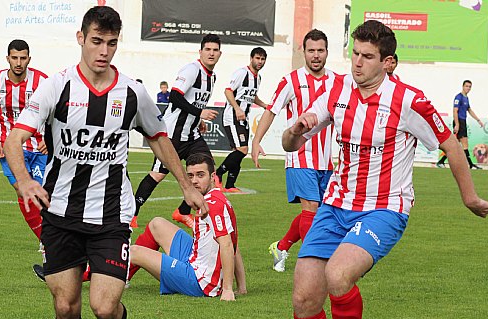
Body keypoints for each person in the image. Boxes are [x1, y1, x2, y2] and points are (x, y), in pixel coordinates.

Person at [281, 19, 488, 319]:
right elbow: (294, 138)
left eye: (368, 57)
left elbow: (450, 145)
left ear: (389, 63)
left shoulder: (409, 100)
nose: (358, 63)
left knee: (338, 275)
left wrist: (470, 198)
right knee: (303, 296)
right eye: (355, 54)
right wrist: (296, 129)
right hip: (336, 204)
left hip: (385, 208)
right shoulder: (337, 91)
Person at [3, 6, 207, 319]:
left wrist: (185, 185)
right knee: (66, 306)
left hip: (112, 215)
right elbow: (15, 139)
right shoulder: (56, 87)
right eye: (97, 41)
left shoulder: (132, 92)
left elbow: (159, 138)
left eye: (111, 43)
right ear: (81, 38)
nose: (104, 50)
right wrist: (25, 180)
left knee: (105, 306)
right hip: (60, 213)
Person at [250, 29, 337, 272]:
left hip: (326, 161)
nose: (316, 55)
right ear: (304, 52)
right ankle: (314, 264)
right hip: (299, 157)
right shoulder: (291, 81)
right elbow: (271, 110)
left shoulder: (336, 81)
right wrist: (257, 141)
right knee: (310, 208)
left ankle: (281, 246)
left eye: (320, 50)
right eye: (311, 50)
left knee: (319, 212)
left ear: (327, 52)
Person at [133, 33, 222, 229]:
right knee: (157, 175)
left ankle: (182, 212)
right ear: (200, 52)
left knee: (208, 170)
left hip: (192, 135)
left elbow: (193, 101)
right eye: (207, 49)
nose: (211, 53)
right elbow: (175, 96)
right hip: (172, 134)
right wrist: (200, 112)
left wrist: (198, 119)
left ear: (220, 54)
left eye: (215, 50)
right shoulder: (191, 70)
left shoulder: (212, 76)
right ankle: (132, 213)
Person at [128, 153, 246, 300]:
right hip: (194, 258)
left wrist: (228, 289)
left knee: (134, 252)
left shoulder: (213, 205)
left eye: (200, 175)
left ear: (212, 176)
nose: (194, 181)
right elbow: (235, 245)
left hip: (199, 281)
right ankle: (125, 277)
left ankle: (110, 276)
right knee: (157, 224)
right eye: (190, 176)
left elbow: (228, 245)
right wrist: (242, 288)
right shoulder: (215, 198)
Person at [0, 39, 48, 279]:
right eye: (14, 58)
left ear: (29, 59)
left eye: (23, 58)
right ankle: (50, 245)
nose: (18, 62)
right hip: (11, 149)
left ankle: (51, 248)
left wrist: (49, 139)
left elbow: (55, 112)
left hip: (39, 148)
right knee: (24, 192)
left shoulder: (42, 81)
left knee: (43, 196)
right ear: (7, 58)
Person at [215, 47, 268, 192]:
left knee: (238, 151)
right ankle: (218, 174)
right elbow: (228, 91)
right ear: (251, 58)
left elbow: (252, 96)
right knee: (243, 149)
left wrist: (264, 105)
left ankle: (230, 185)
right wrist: (237, 109)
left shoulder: (258, 78)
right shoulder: (242, 73)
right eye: (257, 58)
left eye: (262, 59)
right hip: (232, 116)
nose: (260, 61)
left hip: (243, 118)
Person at [437, 80, 484, 169]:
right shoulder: (458, 97)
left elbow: (469, 110)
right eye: (466, 86)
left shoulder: (466, 98)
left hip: (463, 122)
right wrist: (457, 124)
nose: (468, 88)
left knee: (454, 145)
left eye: (470, 87)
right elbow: (455, 111)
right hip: (459, 122)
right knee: (464, 144)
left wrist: (478, 120)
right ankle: (470, 165)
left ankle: (441, 161)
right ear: (463, 86)